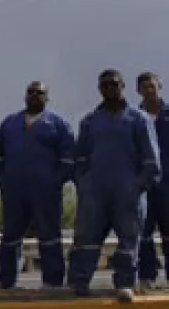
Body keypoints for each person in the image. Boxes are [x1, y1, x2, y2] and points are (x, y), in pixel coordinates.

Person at [66, 69, 161, 302]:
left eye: (114, 84)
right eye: (105, 85)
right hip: (94, 195)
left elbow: (151, 161)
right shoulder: (89, 121)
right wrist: (84, 185)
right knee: (86, 241)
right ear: (99, 89)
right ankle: (78, 284)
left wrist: (138, 186)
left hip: (127, 194)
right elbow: (79, 159)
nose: (109, 88)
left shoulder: (139, 119)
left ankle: (125, 284)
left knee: (129, 242)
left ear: (122, 86)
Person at [0, 81, 75, 291]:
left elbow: (69, 158)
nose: (34, 95)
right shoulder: (10, 123)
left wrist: (55, 181)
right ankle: (5, 280)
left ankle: (52, 281)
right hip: (14, 191)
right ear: (25, 96)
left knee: (49, 235)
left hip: (46, 192)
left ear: (47, 97)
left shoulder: (58, 124)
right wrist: (3, 180)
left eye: (39, 93)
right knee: (10, 236)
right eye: (30, 92)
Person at [135, 72, 169, 288]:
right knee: (143, 233)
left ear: (159, 87)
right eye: (144, 87)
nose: (149, 90)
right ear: (138, 90)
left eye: (152, 86)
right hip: (144, 186)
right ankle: (147, 276)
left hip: (168, 185)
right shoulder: (134, 118)